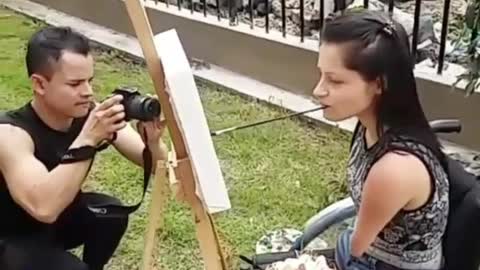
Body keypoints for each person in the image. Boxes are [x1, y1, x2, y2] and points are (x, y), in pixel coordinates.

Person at [0, 26, 168, 270]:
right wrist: (88, 138)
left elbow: (158, 165)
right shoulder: (11, 134)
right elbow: (43, 208)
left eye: (89, 81)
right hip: (12, 236)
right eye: (75, 84)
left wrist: (153, 142)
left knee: (111, 215)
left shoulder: (89, 113)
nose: (87, 92)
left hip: (57, 222)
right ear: (39, 84)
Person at [312, 10, 450, 270]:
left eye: (335, 80)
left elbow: (356, 249)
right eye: (321, 74)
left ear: (379, 84)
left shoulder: (393, 169)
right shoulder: (369, 126)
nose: (318, 90)